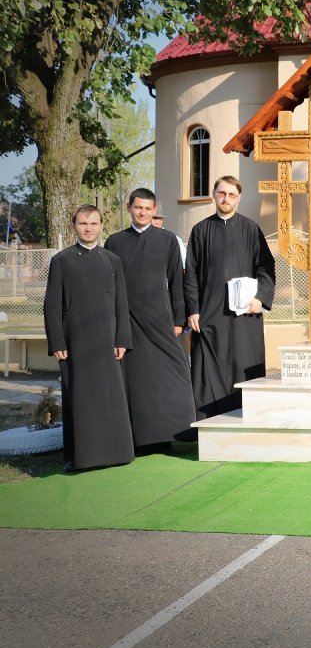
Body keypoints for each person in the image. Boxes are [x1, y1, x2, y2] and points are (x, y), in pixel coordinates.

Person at [44, 205, 134, 470]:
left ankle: (115, 454)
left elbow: (121, 303)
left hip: (107, 341)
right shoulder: (61, 260)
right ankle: (81, 457)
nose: (88, 228)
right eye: (83, 223)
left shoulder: (112, 260)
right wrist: (57, 342)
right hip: (75, 342)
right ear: (74, 225)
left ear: (101, 225)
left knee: (110, 398)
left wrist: (122, 340)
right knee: (80, 399)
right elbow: (52, 305)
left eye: (93, 223)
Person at [105, 189, 195, 450]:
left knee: (172, 375)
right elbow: (109, 286)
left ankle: (175, 432)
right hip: (128, 320)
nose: (143, 212)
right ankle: (139, 439)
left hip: (161, 319)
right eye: (138, 207)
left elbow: (177, 281)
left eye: (148, 208)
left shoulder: (168, 240)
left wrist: (179, 320)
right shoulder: (115, 241)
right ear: (130, 208)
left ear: (154, 210)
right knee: (136, 380)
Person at [184, 176, 276, 420]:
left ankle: (250, 418)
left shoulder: (251, 229)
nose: (226, 199)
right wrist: (193, 309)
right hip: (208, 314)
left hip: (245, 315)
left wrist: (260, 299)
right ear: (214, 194)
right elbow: (190, 274)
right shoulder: (200, 231)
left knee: (244, 364)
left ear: (239, 198)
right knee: (207, 369)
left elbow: (266, 267)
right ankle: (208, 422)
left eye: (231, 194)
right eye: (222, 193)